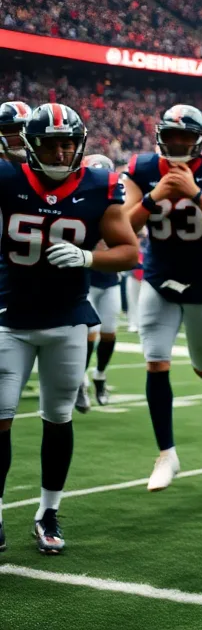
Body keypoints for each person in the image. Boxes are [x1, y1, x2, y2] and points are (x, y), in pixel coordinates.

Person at [0, 103, 139, 554]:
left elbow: (129, 252)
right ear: (31, 144)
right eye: (49, 143)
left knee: (58, 418)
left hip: (67, 317)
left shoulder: (101, 184)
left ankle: (48, 511)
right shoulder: (7, 179)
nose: (59, 152)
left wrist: (88, 257)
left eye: (66, 143)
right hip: (10, 316)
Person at [123, 104, 202, 492]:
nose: (177, 143)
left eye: (185, 137)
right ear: (160, 136)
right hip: (158, 279)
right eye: (171, 136)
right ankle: (167, 454)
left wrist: (195, 193)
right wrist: (153, 196)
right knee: (155, 362)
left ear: (199, 140)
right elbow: (119, 228)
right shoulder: (142, 168)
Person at [82, 154, 122, 409]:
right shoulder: (76, 204)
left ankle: (100, 375)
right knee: (88, 335)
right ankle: (79, 380)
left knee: (108, 334)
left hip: (109, 280)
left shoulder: (117, 205)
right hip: (84, 280)